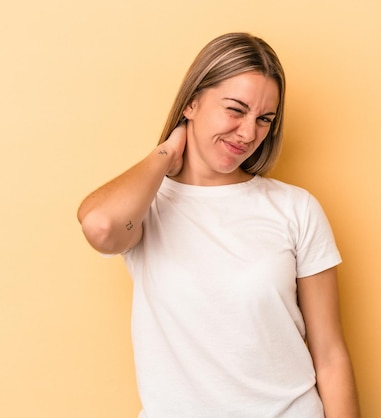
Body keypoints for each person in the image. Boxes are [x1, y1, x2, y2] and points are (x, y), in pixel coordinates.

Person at [77, 32, 359, 418]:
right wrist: (169, 151)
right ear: (192, 101)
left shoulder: (295, 208)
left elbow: (330, 355)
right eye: (235, 109)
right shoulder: (145, 208)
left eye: (264, 119)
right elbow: (99, 225)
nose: (248, 134)